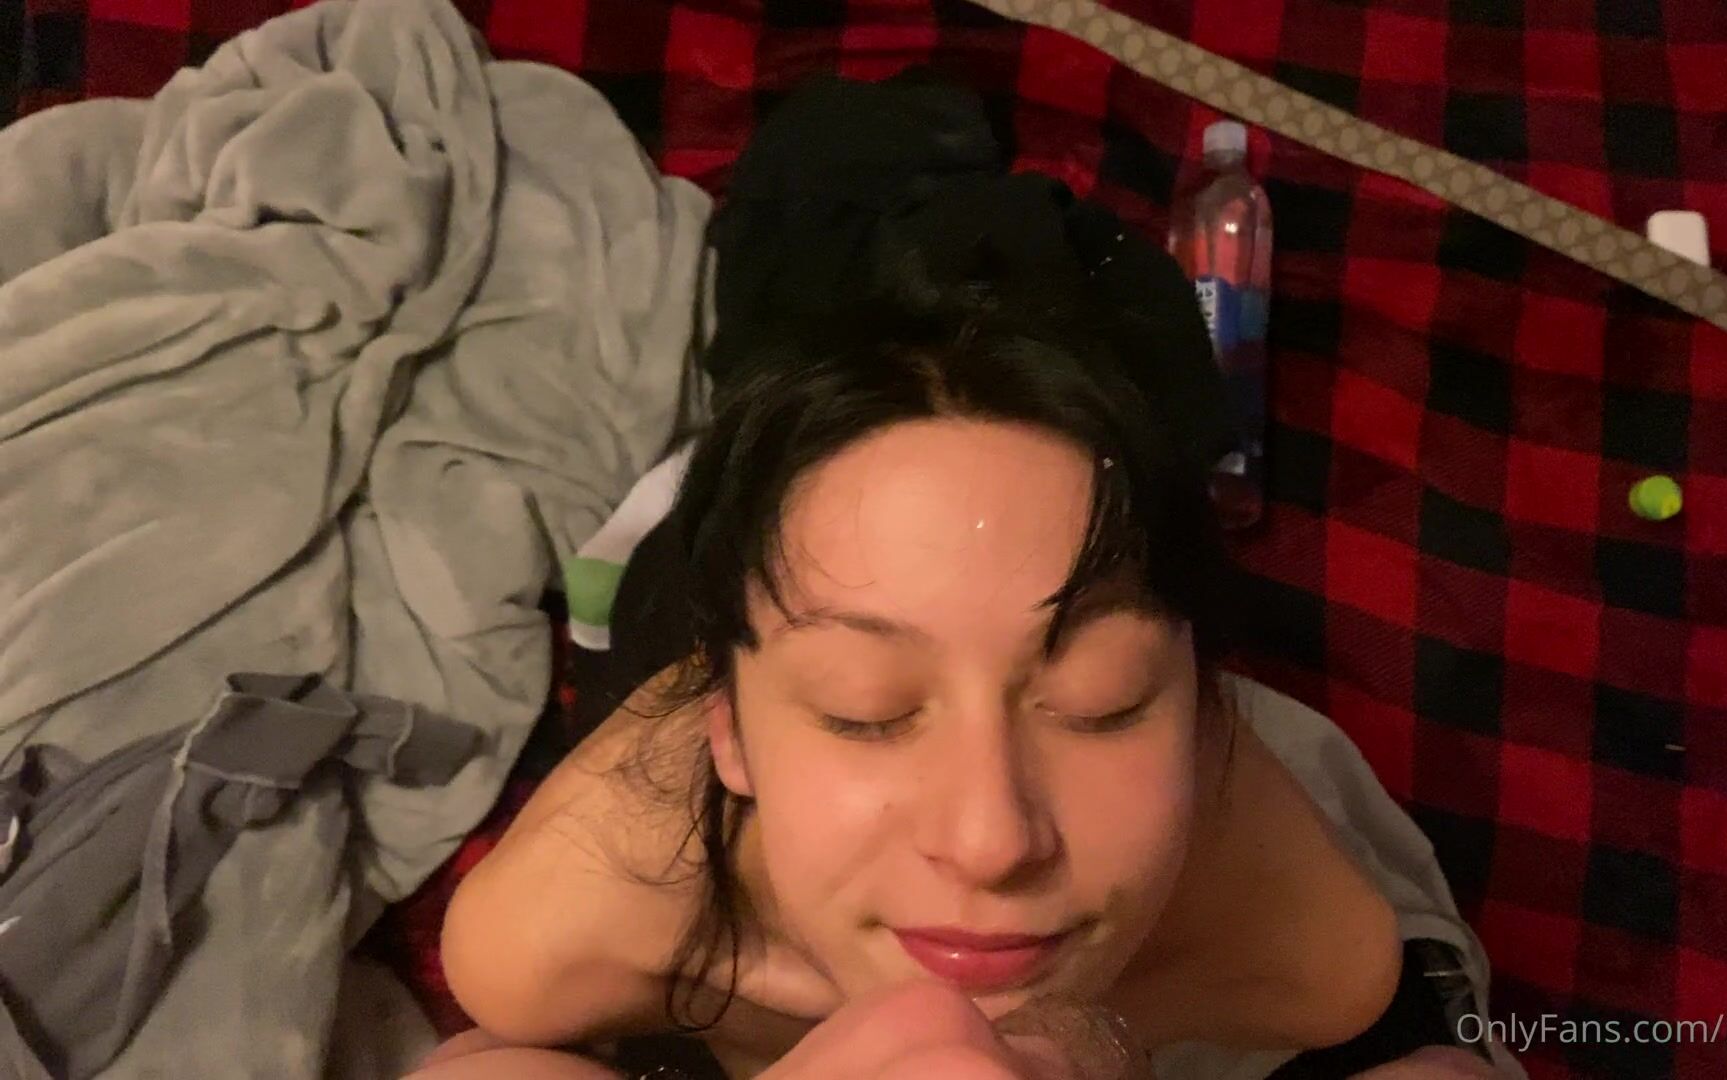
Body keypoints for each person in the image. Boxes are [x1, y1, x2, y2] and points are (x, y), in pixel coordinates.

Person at [405, 220, 1506, 1079]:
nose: (992, 841)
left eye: (1103, 699)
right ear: (727, 732)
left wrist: (1088, 1048)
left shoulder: (1304, 948)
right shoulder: (561, 931)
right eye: (865, 710)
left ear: (1208, 709)